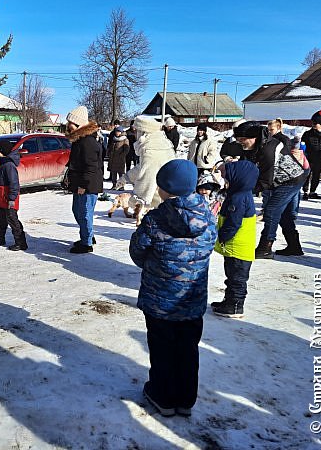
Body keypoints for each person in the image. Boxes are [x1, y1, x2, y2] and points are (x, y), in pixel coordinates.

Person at [129, 159, 216, 417]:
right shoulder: (208, 217)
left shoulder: (155, 220)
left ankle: (163, 397)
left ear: (164, 190)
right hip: (192, 300)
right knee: (188, 350)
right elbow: (211, 244)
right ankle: (185, 399)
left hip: (161, 303)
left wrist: (155, 265)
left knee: (162, 349)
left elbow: (137, 252)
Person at [234, 121, 308, 259]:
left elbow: (265, 181)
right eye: (238, 140)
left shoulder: (269, 149)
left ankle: (265, 247)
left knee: (272, 211)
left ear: (253, 137)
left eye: (242, 140)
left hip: (291, 180)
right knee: (283, 214)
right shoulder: (254, 147)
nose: (240, 143)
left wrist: (244, 191)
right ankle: (294, 246)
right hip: (280, 180)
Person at [211, 160, 259, 318]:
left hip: (238, 246)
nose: (224, 178)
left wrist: (223, 236)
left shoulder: (238, 198)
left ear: (239, 178)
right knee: (231, 275)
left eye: (227, 175)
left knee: (237, 278)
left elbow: (234, 222)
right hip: (235, 246)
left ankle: (236, 305)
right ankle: (229, 301)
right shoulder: (239, 193)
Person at [118, 115, 175, 221]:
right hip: (164, 193)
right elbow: (141, 168)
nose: (135, 134)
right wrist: (126, 178)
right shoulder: (158, 144)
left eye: (137, 131)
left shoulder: (152, 150)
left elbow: (147, 177)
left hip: (161, 197)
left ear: (143, 132)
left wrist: (135, 199)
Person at [65, 105, 103, 254]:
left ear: (79, 124)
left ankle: (86, 243)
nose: (68, 125)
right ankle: (89, 235)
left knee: (84, 213)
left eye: (71, 123)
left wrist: (82, 185)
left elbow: (91, 167)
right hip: (81, 183)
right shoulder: (81, 140)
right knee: (78, 211)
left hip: (87, 185)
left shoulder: (87, 142)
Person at [0, 139, 28, 251]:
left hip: (9, 199)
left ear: (3, 151)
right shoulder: (3, 163)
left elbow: (14, 184)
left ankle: (21, 242)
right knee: (1, 220)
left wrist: (12, 198)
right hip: (3, 198)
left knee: (13, 220)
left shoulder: (9, 165)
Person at [301, 120, 321, 200]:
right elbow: (302, 144)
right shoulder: (307, 134)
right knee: (306, 175)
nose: (313, 125)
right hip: (308, 158)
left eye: (315, 123)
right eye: (313, 123)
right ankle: (305, 192)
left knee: (316, 176)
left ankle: (312, 192)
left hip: (319, 158)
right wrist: (305, 153)